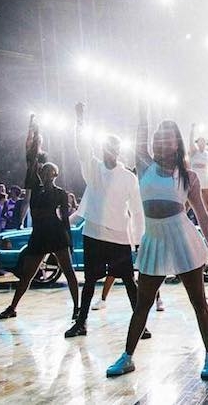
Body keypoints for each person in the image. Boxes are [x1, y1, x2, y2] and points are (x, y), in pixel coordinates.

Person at [106, 105, 208, 379]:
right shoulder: (145, 165)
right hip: (154, 239)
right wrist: (143, 111)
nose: (161, 142)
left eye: (167, 138)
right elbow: (140, 137)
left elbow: (203, 217)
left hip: (182, 239)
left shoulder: (189, 176)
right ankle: (127, 357)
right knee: (143, 303)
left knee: (198, 302)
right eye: (158, 137)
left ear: (177, 143)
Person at [66, 102, 145, 338]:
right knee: (90, 281)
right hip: (93, 234)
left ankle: (141, 325)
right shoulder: (94, 169)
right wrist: (80, 121)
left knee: (129, 281)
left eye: (112, 147)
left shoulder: (128, 178)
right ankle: (81, 323)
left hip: (119, 236)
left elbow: (137, 211)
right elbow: (82, 148)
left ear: (118, 150)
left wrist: (138, 240)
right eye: (105, 147)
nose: (107, 151)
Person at [0, 115, 80, 323]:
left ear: (55, 174)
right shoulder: (35, 186)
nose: (45, 173)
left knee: (69, 272)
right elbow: (31, 157)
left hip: (56, 234)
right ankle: (13, 307)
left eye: (49, 172)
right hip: (40, 234)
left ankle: (77, 309)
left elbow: (65, 220)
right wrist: (35, 132)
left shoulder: (61, 193)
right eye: (43, 171)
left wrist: (68, 242)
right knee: (27, 274)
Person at [189, 125, 208, 224]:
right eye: (200, 141)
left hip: (206, 179)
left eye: (203, 141)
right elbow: (191, 141)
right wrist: (192, 129)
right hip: (195, 179)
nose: (202, 143)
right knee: (190, 201)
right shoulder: (193, 152)